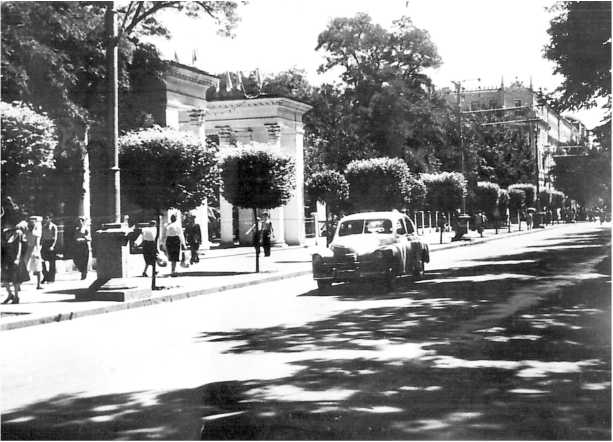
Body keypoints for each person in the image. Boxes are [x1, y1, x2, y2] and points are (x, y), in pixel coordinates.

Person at [1, 218, 25, 304]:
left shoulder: (17, 233)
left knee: (15, 279)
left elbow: (19, 246)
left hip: (14, 258)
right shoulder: (4, 233)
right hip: (5, 258)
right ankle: (10, 294)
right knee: (4, 279)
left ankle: (16, 296)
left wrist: (17, 259)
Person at [23, 216, 43, 289]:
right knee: (37, 268)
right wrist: (38, 252)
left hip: (30, 249)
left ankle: (19, 285)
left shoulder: (28, 231)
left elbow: (26, 240)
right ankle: (38, 285)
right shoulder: (36, 232)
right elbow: (36, 243)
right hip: (33, 250)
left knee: (27, 267)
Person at [41, 213, 58, 284]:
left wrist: (52, 246)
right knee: (42, 261)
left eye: (47, 218)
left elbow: (55, 237)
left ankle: (51, 278)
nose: (46, 220)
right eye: (45, 218)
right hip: (44, 243)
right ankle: (45, 276)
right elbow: (42, 237)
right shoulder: (43, 226)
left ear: (50, 219)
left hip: (51, 243)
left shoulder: (53, 226)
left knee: (52, 262)